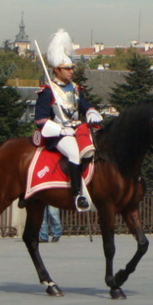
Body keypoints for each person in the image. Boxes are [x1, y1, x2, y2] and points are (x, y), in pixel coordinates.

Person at [34, 29, 103, 211]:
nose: (72, 71)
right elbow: (40, 119)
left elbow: (84, 105)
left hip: (77, 130)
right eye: (68, 68)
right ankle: (77, 195)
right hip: (58, 135)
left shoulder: (75, 88)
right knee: (74, 152)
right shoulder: (48, 91)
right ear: (57, 69)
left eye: (73, 68)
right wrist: (60, 130)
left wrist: (90, 112)